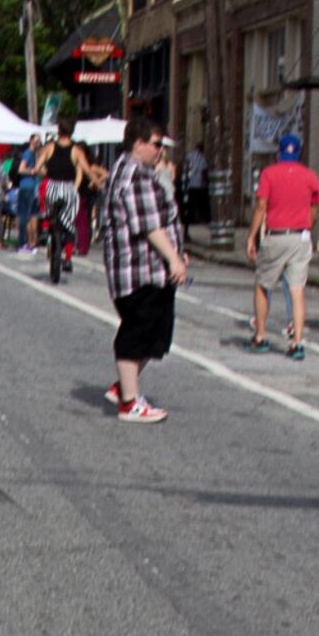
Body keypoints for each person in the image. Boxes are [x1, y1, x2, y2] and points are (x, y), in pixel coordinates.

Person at [94, 121, 185, 422]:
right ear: (138, 144)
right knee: (139, 330)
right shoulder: (134, 176)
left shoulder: (136, 172)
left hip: (143, 268)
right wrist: (174, 258)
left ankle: (123, 386)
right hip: (140, 269)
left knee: (155, 333)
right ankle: (129, 402)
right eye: (157, 144)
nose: (160, 151)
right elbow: (148, 225)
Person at [249, 136, 319, 358]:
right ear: (298, 153)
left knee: (263, 285)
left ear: (279, 153)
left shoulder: (269, 174)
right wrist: (307, 225)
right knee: (297, 290)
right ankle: (298, 342)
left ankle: (260, 335)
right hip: (300, 237)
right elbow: (314, 206)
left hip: (276, 234)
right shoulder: (310, 176)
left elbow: (261, 205)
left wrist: (252, 236)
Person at [38, 123, 83, 283]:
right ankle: (69, 258)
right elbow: (82, 171)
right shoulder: (77, 151)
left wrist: (41, 169)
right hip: (69, 189)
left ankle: (44, 228)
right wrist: (75, 188)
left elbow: (38, 167)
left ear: (58, 131)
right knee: (70, 222)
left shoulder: (50, 147)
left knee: (46, 202)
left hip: (53, 186)